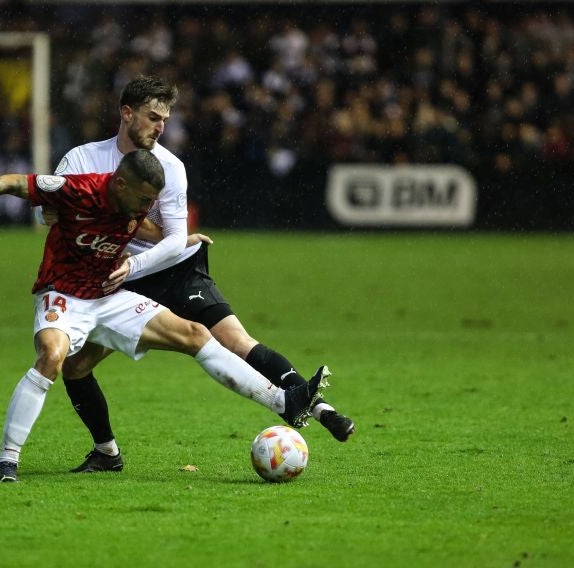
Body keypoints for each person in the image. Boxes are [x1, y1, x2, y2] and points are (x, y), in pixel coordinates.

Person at [0, 149, 325, 482]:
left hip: (110, 296)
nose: (149, 207)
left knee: (195, 333)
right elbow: (3, 182)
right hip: (63, 295)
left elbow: (147, 228)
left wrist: (179, 240)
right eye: (145, 199)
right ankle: (7, 460)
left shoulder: (133, 205)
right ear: (120, 183)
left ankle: (283, 402)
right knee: (53, 358)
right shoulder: (76, 190)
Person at [52, 75, 354, 474]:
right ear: (126, 113)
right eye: (152, 116)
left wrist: (125, 245)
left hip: (172, 269)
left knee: (236, 340)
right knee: (74, 366)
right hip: (118, 280)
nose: (160, 126)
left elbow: (175, 241)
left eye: (165, 119)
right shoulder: (82, 158)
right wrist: (126, 230)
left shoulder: (171, 168)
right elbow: (49, 213)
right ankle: (107, 452)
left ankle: (318, 408)